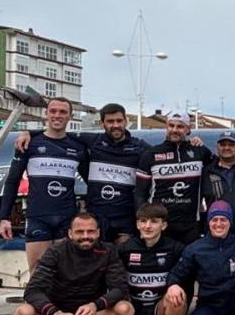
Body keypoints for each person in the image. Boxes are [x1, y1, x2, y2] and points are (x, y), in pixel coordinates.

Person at [0, 96, 89, 315]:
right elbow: (13, 180)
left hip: (65, 219)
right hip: (38, 217)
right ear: (46, 114)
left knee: (64, 275)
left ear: (69, 117)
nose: (57, 116)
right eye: (53, 111)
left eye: (63, 112)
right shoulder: (30, 143)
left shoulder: (77, 148)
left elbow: (92, 181)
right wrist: (4, 217)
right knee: (37, 275)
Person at [11, 212, 133, 315]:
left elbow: (119, 288)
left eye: (90, 231)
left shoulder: (108, 251)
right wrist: (55, 312)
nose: (86, 236)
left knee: (125, 310)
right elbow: (32, 291)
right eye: (80, 232)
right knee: (21, 314)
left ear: (98, 232)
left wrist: (95, 305)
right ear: (70, 233)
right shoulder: (55, 252)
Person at [13, 102, 146, 244]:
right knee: (95, 263)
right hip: (97, 218)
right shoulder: (93, 141)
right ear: (102, 124)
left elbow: (159, 155)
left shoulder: (139, 146)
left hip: (125, 219)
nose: (115, 125)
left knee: (123, 263)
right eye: (110, 121)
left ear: (126, 121)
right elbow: (58, 132)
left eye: (119, 121)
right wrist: (30, 133)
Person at [110, 203, 187, 315]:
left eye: (154, 221)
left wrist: (175, 285)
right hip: (135, 313)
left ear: (163, 225)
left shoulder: (175, 248)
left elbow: (184, 274)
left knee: (178, 296)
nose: (147, 226)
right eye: (143, 221)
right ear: (137, 224)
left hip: (160, 309)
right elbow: (113, 278)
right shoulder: (125, 249)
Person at [134, 111, 212, 244]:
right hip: (161, 224)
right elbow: (140, 192)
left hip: (191, 224)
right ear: (166, 126)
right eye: (171, 125)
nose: (175, 130)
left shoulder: (200, 151)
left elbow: (220, 167)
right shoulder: (151, 154)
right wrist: (145, 220)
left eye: (180, 127)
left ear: (188, 129)